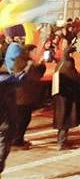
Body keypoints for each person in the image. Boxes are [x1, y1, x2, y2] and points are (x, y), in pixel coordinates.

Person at [0, 43, 31, 174]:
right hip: (4, 123)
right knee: (1, 153)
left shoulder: (6, 75)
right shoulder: (4, 79)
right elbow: (18, 80)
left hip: (6, 122)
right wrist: (29, 67)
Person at [53, 48, 80, 150]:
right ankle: (61, 142)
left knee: (61, 119)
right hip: (67, 97)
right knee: (65, 119)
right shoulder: (68, 64)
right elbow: (75, 79)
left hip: (59, 96)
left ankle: (61, 140)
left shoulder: (60, 64)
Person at [14, 45, 45, 149]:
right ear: (29, 52)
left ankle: (19, 139)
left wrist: (40, 65)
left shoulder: (25, 61)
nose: (35, 53)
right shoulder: (26, 62)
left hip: (23, 95)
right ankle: (17, 141)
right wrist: (38, 66)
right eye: (34, 51)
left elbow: (36, 76)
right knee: (23, 119)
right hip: (22, 96)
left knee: (23, 118)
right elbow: (34, 76)